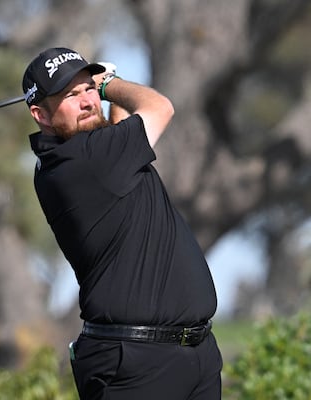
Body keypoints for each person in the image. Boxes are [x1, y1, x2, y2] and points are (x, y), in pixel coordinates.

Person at [23, 47, 223, 399]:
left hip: (191, 353)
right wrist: (110, 84)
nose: (88, 101)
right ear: (41, 114)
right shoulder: (85, 160)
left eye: (88, 89)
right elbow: (161, 108)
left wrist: (103, 94)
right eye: (72, 95)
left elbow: (118, 127)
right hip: (136, 364)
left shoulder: (81, 156)